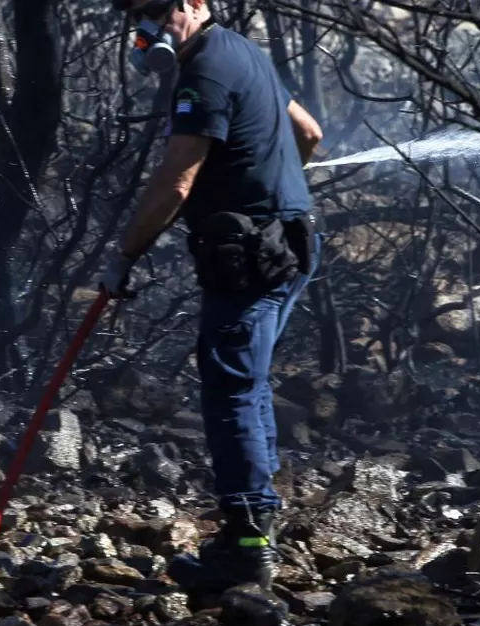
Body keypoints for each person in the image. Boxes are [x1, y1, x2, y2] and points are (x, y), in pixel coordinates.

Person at [99, 0, 325, 594]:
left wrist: (124, 254)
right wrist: (273, 185)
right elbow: (310, 133)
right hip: (292, 243)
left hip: (251, 257)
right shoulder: (244, 52)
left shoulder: (203, 72)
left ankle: (246, 548)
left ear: (196, 3)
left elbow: (177, 177)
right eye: (136, 12)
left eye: (155, 9)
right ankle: (261, 523)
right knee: (247, 384)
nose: (146, 24)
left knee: (230, 391)